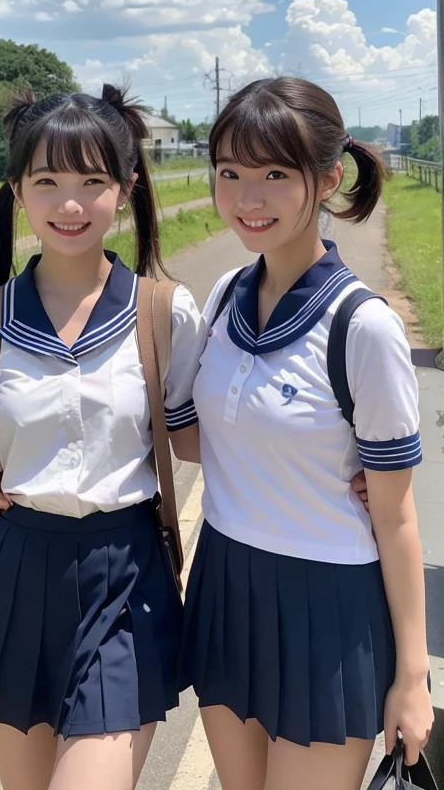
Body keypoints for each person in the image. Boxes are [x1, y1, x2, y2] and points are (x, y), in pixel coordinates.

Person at [0, 84, 205, 790]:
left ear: (127, 188)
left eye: (92, 181)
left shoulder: (165, 313)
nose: (70, 205)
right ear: (18, 191)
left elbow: (208, 441)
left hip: (125, 579)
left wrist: (332, 456)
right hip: (13, 575)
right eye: (47, 181)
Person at [180, 77, 433, 790]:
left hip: (330, 606)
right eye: (229, 172)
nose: (246, 199)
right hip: (227, 581)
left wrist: (413, 678)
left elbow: (398, 515)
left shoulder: (364, 327)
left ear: (326, 180)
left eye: (274, 175)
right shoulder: (227, 293)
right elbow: (200, 440)